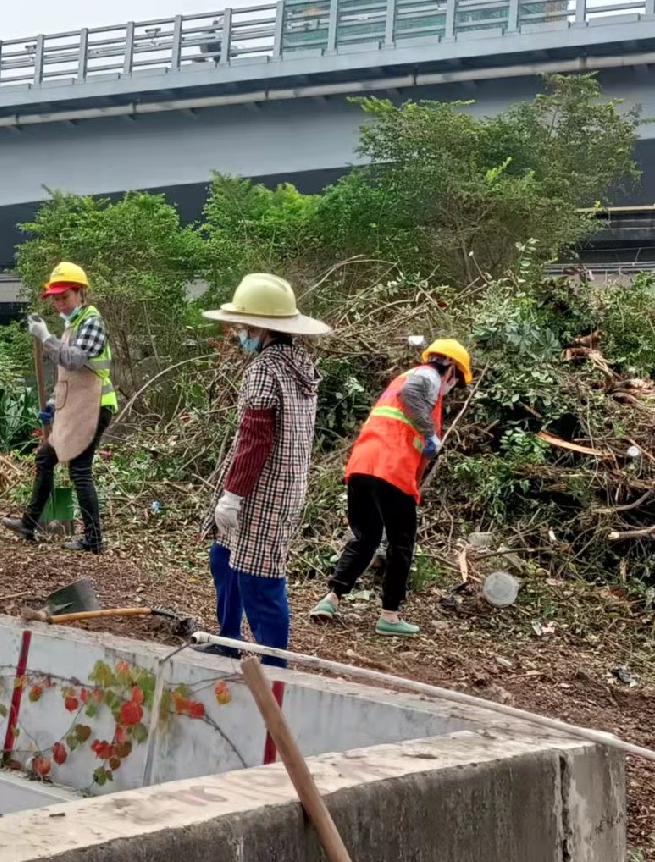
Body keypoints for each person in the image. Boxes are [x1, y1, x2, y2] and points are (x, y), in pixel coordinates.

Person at [199, 273, 330, 667]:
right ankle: (227, 638)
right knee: (223, 558)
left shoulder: (264, 370)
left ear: (260, 327)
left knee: (260, 580)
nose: (240, 334)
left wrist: (233, 495)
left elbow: (256, 438)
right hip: (287, 483)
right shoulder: (300, 363)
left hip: (263, 488)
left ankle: (275, 666)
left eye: (243, 327)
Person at [311, 338, 474, 637]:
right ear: (450, 367)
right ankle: (390, 615)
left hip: (363, 465)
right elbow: (411, 396)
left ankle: (330, 599)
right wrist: (428, 434)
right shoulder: (427, 376)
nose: (453, 387)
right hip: (392, 470)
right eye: (457, 380)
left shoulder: (404, 376)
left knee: (367, 536)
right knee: (401, 542)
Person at [0, 261, 116, 553]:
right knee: (45, 458)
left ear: (80, 293)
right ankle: (29, 523)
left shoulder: (91, 322)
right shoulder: (72, 325)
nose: (59, 304)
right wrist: (53, 403)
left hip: (95, 405)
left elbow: (73, 360)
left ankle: (93, 539)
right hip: (75, 404)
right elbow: (70, 375)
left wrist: (45, 337)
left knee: (79, 469)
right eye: (55, 299)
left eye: (64, 297)